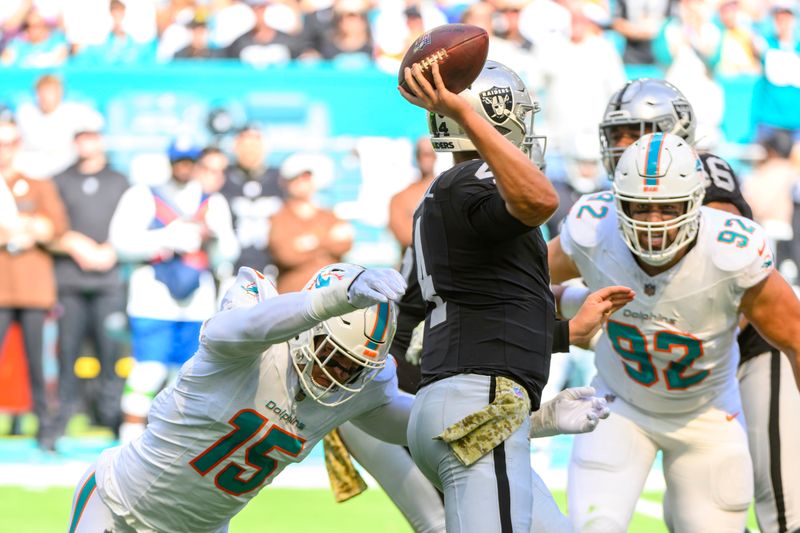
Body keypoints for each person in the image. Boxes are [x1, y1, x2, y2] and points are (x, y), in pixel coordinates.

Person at [65, 263, 611, 532]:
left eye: (355, 365)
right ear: (309, 329)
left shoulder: (357, 388)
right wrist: (333, 297)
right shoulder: (244, 348)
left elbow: (421, 431)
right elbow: (251, 321)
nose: (341, 374)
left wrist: (535, 422)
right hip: (117, 504)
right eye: (336, 355)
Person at [397, 60, 634, 532]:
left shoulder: (447, 194)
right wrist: (468, 116)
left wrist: (566, 334)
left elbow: (487, 310)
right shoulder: (471, 179)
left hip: (470, 401)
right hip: (480, 399)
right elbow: (540, 201)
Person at [547, 132, 800, 532]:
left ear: (695, 202)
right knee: (593, 527)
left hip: (708, 415)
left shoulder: (730, 249)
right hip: (618, 405)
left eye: (668, 208)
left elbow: (796, 339)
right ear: (617, 201)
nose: (653, 222)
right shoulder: (594, 229)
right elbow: (526, 282)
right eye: (639, 207)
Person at [108, 139, 239, 443]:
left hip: (196, 302)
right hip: (152, 298)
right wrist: (167, 237)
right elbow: (120, 243)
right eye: (179, 160)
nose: (184, 166)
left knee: (186, 377)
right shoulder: (142, 195)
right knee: (148, 370)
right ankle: (128, 439)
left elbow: (227, 254)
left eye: (190, 160)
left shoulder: (212, 201)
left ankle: (172, 444)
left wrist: (211, 236)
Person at [700, 153, 800, 533]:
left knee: (782, 505)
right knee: (698, 512)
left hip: (760, 350)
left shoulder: (740, 243)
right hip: (700, 368)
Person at [50, 114, 130, 441]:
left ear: (101, 139)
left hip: (109, 283)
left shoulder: (120, 181)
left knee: (111, 355)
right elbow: (50, 230)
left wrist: (112, 249)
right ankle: (60, 425)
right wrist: (72, 243)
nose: (87, 142)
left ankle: (112, 422)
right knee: (67, 354)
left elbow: (134, 226)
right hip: (69, 283)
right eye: (81, 136)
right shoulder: (59, 181)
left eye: (92, 135)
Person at [0, 117, 68, 451]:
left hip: (33, 288)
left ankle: (47, 430)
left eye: (9, 143)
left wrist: (29, 228)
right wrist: (22, 229)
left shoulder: (37, 184)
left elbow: (54, 228)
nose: (4, 150)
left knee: (39, 365)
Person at [268, 153, 353, 293]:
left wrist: (308, 243)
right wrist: (327, 240)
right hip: (293, 297)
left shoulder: (329, 215)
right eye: (295, 179)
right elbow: (287, 255)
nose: (302, 183)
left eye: (306, 178)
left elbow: (344, 244)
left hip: (330, 295)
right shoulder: (279, 218)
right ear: (286, 183)